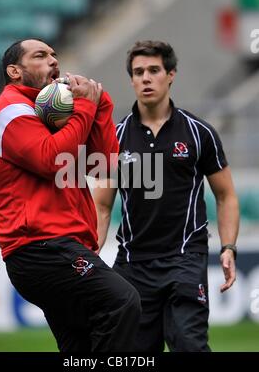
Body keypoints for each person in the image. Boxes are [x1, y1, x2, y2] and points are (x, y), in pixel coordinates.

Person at [0, 38, 141, 352]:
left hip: (62, 247)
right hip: (41, 248)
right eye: (40, 56)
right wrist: (84, 107)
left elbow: (103, 164)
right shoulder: (9, 109)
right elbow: (53, 161)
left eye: (54, 54)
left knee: (80, 346)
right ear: (14, 71)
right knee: (123, 302)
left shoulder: (52, 112)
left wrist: (100, 108)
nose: (53, 60)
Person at [93, 40, 240, 352]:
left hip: (185, 259)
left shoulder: (199, 133)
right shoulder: (114, 139)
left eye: (154, 70)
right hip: (132, 264)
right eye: (138, 72)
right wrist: (89, 255)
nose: (146, 78)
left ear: (170, 74)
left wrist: (228, 247)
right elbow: (102, 206)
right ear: (131, 80)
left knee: (189, 344)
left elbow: (226, 195)